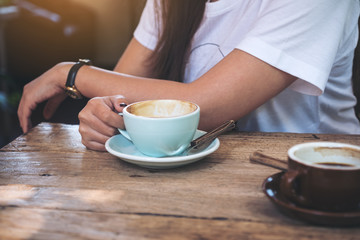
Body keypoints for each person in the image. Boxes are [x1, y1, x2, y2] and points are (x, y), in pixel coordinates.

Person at [17, 0, 360, 151]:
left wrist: (72, 73)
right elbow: (122, 93)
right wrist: (104, 116)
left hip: (310, 181)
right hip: (191, 168)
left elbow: (205, 105)